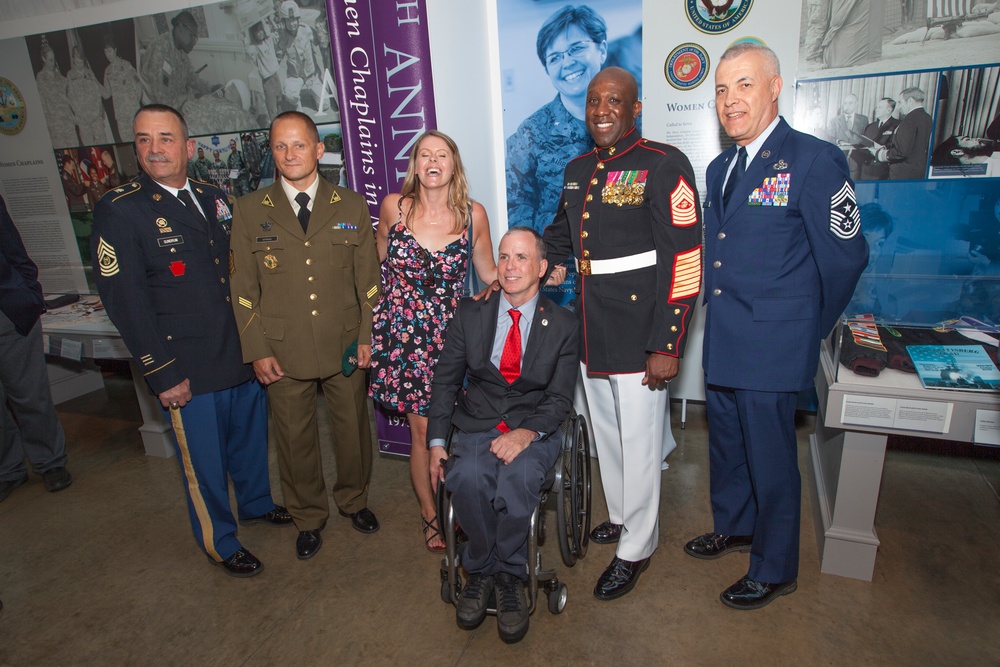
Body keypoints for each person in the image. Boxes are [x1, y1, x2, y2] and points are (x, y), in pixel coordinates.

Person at [690, 42, 867, 610]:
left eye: (744, 85)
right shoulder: (719, 167)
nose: (730, 100)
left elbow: (846, 255)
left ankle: (774, 567)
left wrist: (806, 327)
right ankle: (737, 526)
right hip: (724, 338)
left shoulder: (814, 160)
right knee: (728, 447)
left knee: (770, 458)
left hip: (773, 344)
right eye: (721, 89)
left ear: (774, 88)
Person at [92, 104, 291, 578]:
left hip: (238, 352)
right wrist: (161, 372)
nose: (154, 148)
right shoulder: (120, 210)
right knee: (203, 463)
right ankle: (220, 540)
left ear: (188, 147)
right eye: (143, 139)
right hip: (186, 365)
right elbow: (126, 300)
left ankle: (257, 503)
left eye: (165, 138)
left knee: (248, 442)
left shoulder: (216, 197)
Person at [540, 67, 703, 600]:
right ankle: (621, 514)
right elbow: (561, 236)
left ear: (636, 109)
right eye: (593, 101)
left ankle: (637, 546)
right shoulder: (577, 167)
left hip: (640, 329)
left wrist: (667, 342)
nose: (602, 110)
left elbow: (685, 260)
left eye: (614, 101)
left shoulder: (662, 164)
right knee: (607, 435)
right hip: (592, 323)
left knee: (639, 440)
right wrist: (533, 265)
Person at [229, 111, 382, 560]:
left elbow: (369, 282)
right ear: (272, 153)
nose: (290, 154)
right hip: (282, 349)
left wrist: (367, 336)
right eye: (280, 146)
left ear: (319, 149)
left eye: (299, 145)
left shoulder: (351, 204)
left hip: (345, 345)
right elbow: (242, 291)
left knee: (352, 431)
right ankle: (308, 517)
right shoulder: (250, 209)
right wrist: (256, 349)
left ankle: (354, 501)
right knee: (294, 441)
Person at [428, 227, 577, 643]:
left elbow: (560, 398)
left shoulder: (563, 325)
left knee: (520, 481)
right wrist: (436, 443)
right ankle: (483, 569)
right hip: (477, 423)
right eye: (505, 257)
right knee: (467, 477)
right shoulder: (470, 314)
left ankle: (509, 574)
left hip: (534, 428)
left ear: (542, 268)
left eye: (522, 258)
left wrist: (527, 433)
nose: (511, 267)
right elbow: (444, 383)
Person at [368, 131, 497, 553]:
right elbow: (375, 266)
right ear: (415, 165)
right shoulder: (394, 207)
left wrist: (534, 273)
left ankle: (460, 507)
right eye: (425, 154)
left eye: (442, 154)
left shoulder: (473, 215)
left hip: (452, 340)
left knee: (454, 432)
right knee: (423, 433)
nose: (433, 161)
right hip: (403, 341)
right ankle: (430, 516)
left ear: (453, 165)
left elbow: (490, 275)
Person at [505, 5, 608, 234]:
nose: (567, 63)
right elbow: (514, 208)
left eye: (576, 49)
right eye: (555, 58)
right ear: (548, 70)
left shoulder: (634, 118)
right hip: (560, 266)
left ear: (602, 49)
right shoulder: (531, 133)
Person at [0, 195, 73, 503]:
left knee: (29, 393)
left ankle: (50, 461)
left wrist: (29, 294)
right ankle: (8, 470)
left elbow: (14, 249)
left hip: (7, 312)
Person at [141, 10, 214, 110]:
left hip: (182, 99)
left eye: (195, 38)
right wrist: (182, 104)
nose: (194, 42)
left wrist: (210, 89)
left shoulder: (180, 49)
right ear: (180, 27)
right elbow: (160, 96)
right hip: (169, 108)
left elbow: (191, 77)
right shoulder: (161, 50)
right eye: (191, 36)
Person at [276, 0, 325, 111]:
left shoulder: (306, 30)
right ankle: (297, 104)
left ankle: (312, 94)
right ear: (284, 22)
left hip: (311, 75)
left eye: (294, 20)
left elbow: (319, 42)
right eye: (288, 20)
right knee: (290, 95)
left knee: (325, 104)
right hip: (295, 77)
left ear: (298, 19)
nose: (292, 23)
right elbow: (277, 59)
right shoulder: (283, 38)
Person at [875, 87, 932, 180]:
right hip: (919, 172)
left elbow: (901, 152)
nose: (899, 107)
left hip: (902, 174)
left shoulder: (909, 120)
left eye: (900, 102)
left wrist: (879, 154)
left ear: (909, 101)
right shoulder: (927, 118)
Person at [35, 39, 78, 147]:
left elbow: (70, 99)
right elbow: (42, 103)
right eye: (50, 60)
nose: (53, 63)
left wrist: (74, 116)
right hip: (55, 125)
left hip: (68, 122)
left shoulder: (62, 79)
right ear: (43, 59)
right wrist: (48, 124)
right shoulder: (41, 78)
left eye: (54, 60)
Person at [101, 35, 142, 143]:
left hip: (132, 112)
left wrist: (134, 105)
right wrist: (95, 84)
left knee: (140, 140)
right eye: (105, 52)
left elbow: (138, 86)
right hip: (120, 116)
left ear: (115, 50)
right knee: (127, 142)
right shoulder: (107, 71)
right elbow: (106, 94)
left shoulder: (126, 65)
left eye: (109, 51)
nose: (107, 55)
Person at [67, 46, 108, 146]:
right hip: (83, 120)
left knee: (103, 144)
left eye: (81, 62)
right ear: (73, 59)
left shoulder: (89, 73)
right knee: (89, 146)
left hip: (96, 117)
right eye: (77, 62)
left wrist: (96, 112)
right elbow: (72, 99)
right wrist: (83, 116)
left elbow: (97, 93)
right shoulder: (70, 75)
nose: (80, 64)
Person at [853, 98, 898, 181]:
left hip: (884, 171)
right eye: (877, 107)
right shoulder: (870, 126)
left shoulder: (897, 125)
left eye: (880, 107)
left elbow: (897, 146)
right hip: (867, 171)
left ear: (889, 110)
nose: (876, 110)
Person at [826, 93, 868, 180]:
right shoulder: (834, 121)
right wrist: (839, 141)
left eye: (850, 103)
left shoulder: (864, 119)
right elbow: (829, 138)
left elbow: (866, 139)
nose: (847, 106)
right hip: (839, 163)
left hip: (857, 163)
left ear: (856, 104)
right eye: (845, 103)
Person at [247, 20, 282, 120]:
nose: (260, 32)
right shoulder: (254, 47)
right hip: (267, 80)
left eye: (261, 30)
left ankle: (282, 119)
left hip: (275, 75)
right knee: (271, 105)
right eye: (257, 31)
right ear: (253, 34)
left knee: (280, 99)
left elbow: (275, 32)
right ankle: (274, 122)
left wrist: (266, 20)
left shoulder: (268, 40)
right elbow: (250, 53)